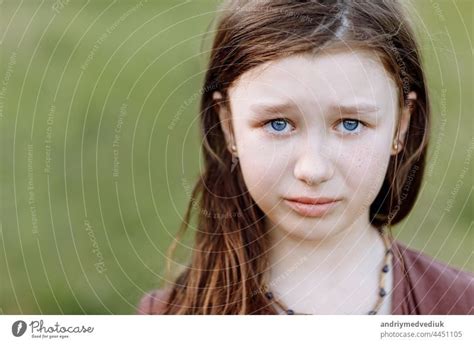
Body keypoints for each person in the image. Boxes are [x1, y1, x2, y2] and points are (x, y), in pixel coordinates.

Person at [137, 0, 473, 315]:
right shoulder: (170, 316)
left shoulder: (461, 306)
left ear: (401, 125)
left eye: (351, 124)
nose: (313, 170)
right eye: (278, 124)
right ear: (228, 125)